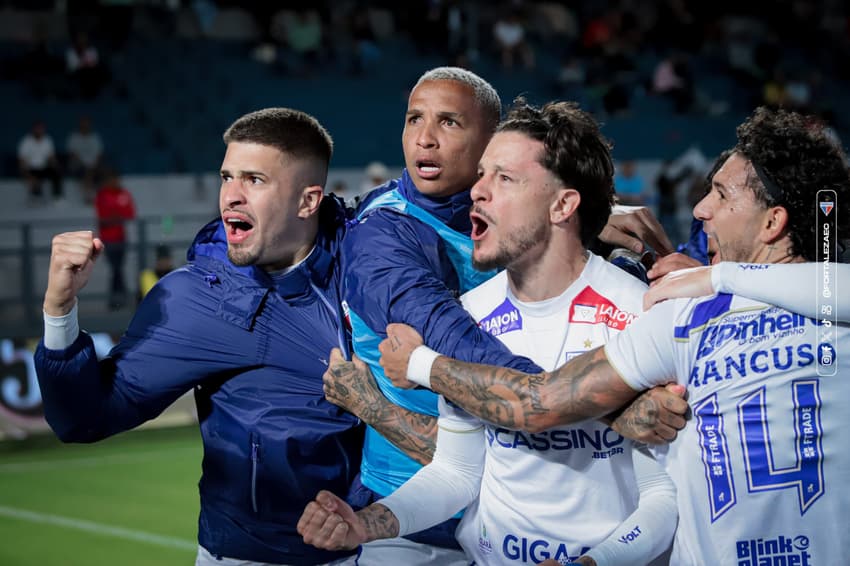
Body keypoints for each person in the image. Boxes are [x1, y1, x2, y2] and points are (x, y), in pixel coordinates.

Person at [377, 107, 850, 565]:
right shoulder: (703, 309)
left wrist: (420, 365)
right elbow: (470, 460)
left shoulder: (673, 315)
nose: (701, 209)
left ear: (773, 222)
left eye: (722, 196)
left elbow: (542, 403)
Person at [324, 67, 681, 565]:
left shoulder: (632, 304)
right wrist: (611, 402)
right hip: (423, 511)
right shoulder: (392, 242)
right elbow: (460, 448)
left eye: (449, 123)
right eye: (413, 120)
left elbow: (665, 493)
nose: (424, 139)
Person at [34, 108, 363, 566]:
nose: (231, 196)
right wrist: (59, 311)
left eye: (255, 180)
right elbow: (84, 418)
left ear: (308, 202)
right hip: (247, 557)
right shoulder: (196, 300)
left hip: (375, 546)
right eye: (227, 176)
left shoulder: (370, 269)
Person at [94, 169, 136, 310]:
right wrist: (117, 217)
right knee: (116, 269)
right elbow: (103, 218)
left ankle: (117, 300)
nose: (116, 182)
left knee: (118, 268)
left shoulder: (123, 193)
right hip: (108, 239)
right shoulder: (102, 195)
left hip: (121, 237)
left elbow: (130, 213)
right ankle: (119, 299)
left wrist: (115, 217)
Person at [18, 120, 63, 204]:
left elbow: (51, 157)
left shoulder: (47, 140)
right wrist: (26, 173)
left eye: (41, 129)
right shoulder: (26, 141)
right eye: (37, 129)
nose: (39, 131)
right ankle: (35, 196)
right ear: (33, 129)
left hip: (43, 168)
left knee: (57, 171)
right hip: (31, 169)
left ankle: (57, 197)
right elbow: (22, 160)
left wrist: (55, 164)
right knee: (33, 178)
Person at [66, 115, 104, 204]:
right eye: (83, 123)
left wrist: (94, 164)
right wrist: (85, 164)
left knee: (104, 172)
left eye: (87, 123)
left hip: (93, 165)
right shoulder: (74, 137)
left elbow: (99, 154)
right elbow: (72, 154)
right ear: (80, 124)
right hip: (77, 165)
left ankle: (102, 197)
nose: (85, 125)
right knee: (87, 170)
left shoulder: (95, 137)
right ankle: (88, 197)